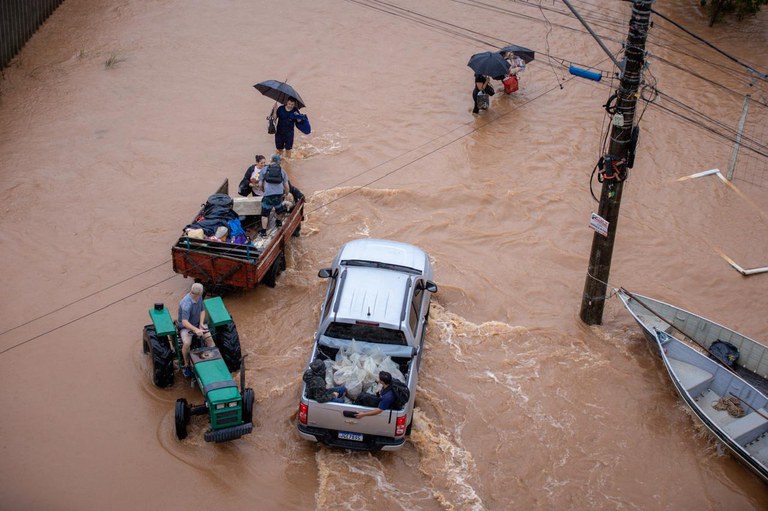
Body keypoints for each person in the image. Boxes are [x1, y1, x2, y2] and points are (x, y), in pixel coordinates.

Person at [177, 282, 215, 378]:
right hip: (186, 327)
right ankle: (186, 364)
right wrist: (195, 330)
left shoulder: (199, 298)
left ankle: (214, 358)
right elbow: (184, 322)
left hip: (198, 324)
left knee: (209, 338)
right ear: (197, 293)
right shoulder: (186, 304)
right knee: (186, 343)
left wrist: (201, 324)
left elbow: (202, 311)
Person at [257, 155, 291, 237]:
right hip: (278, 195)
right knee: (278, 209)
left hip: (268, 195)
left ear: (271, 161)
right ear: (279, 162)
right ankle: (278, 222)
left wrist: (263, 191)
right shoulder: (282, 171)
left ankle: (264, 232)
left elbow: (260, 183)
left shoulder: (264, 169)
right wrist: (286, 193)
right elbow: (286, 185)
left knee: (265, 214)